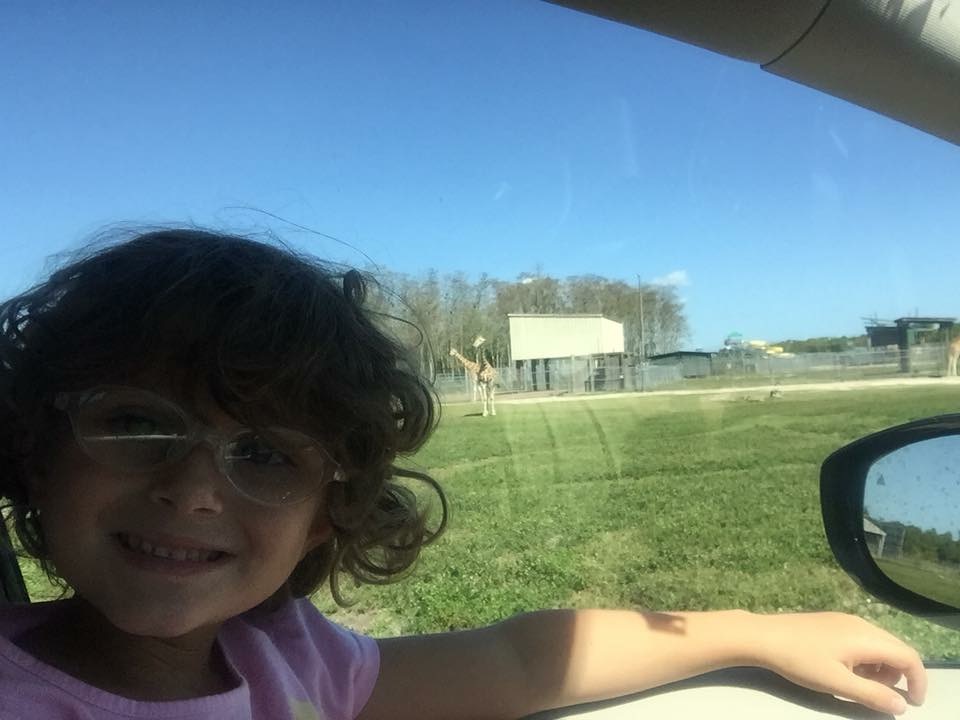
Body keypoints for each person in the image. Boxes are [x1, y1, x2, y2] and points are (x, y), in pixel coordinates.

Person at [0, 228, 926, 719]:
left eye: (266, 453)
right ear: (37, 451)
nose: (194, 489)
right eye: (135, 423)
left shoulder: (287, 661)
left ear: (325, 515)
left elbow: (518, 662)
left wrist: (749, 632)